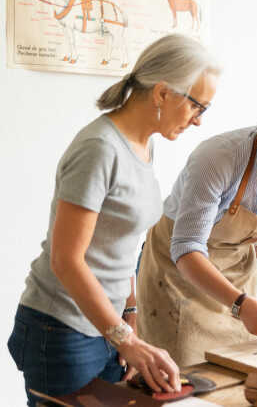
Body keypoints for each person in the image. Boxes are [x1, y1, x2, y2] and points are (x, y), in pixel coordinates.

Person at [7, 33, 220, 406]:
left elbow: (123, 243)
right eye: (197, 106)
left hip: (106, 328)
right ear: (162, 93)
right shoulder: (100, 149)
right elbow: (66, 260)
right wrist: (126, 338)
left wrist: (130, 316)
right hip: (60, 327)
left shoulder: (143, 143)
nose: (199, 121)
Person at [136, 76, 257, 367]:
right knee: (186, 380)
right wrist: (241, 305)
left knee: (242, 375)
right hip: (178, 275)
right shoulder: (218, 158)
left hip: (236, 276)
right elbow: (187, 248)